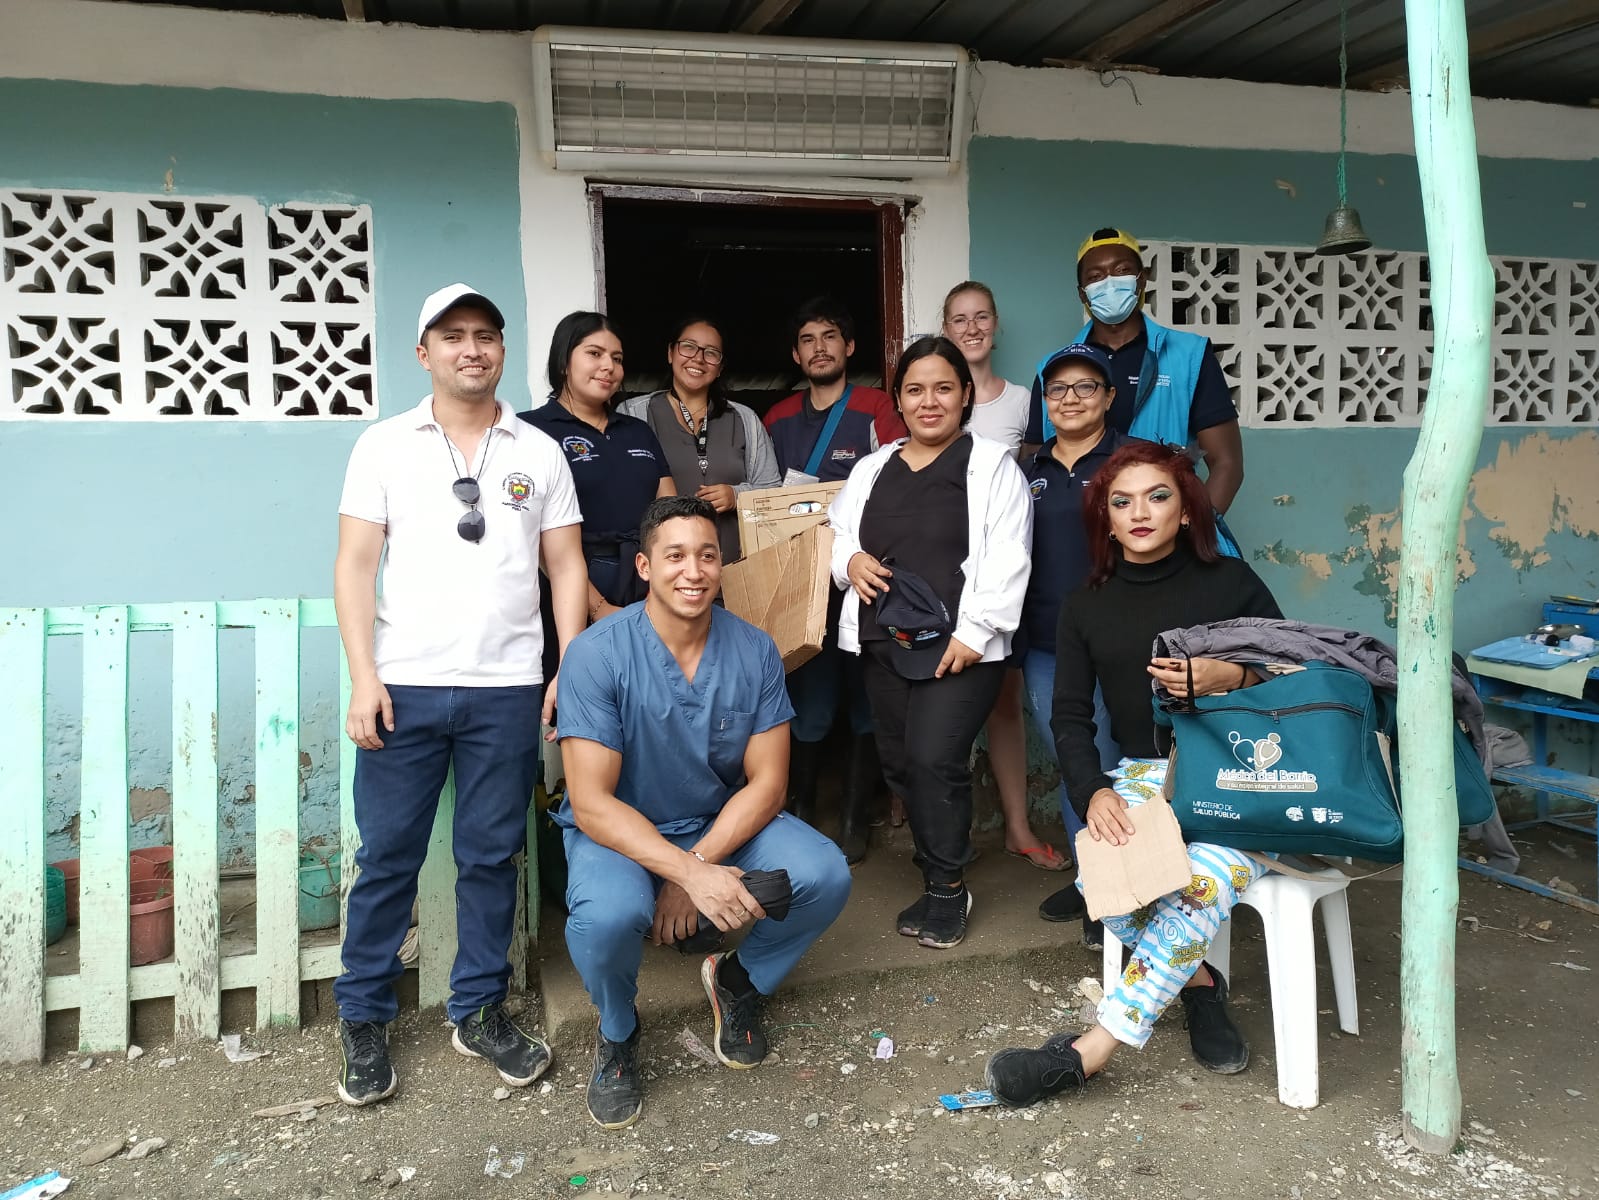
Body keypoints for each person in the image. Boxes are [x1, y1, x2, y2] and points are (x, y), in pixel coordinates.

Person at [332, 283, 590, 1107]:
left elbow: (565, 566)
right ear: (424, 353)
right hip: (403, 686)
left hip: (506, 689)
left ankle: (477, 1009)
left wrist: (568, 665)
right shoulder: (384, 445)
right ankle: (363, 1015)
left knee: (490, 855)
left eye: (485, 335)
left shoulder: (537, 451)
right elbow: (354, 566)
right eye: (452, 336)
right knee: (387, 858)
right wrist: (364, 676)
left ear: (502, 350)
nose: (471, 349)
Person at [983, 441, 1283, 1109]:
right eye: (1121, 502)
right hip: (1146, 774)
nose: (1139, 512)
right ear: (1106, 519)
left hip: (1243, 773)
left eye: (1157, 496)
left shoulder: (1232, 584)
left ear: (1186, 511)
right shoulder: (1086, 605)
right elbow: (1068, 717)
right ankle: (1199, 984)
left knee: (1200, 882)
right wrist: (1093, 791)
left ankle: (1090, 1051)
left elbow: (1297, 677)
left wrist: (1233, 675)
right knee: (1102, 875)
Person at [555, 496, 852, 1130]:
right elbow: (592, 802)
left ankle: (740, 981)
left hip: (716, 824)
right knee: (607, 917)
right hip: (619, 833)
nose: (693, 571)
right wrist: (689, 876)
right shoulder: (596, 653)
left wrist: (696, 866)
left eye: (708, 555)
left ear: (722, 564)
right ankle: (618, 1031)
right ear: (644, 566)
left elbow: (768, 784)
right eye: (675, 556)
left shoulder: (754, 649)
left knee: (824, 874)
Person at [829, 336, 1032, 950]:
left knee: (933, 758)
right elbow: (838, 533)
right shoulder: (871, 468)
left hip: (958, 647)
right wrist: (850, 561)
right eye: (915, 390)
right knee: (897, 762)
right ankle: (935, 869)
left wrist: (975, 634)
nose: (929, 401)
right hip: (883, 639)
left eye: (944, 387)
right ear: (898, 399)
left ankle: (947, 887)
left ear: (965, 394)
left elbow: (1010, 553)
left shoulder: (992, 466)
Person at [762, 297, 907, 864]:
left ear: (849, 347)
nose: (819, 348)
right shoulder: (777, 418)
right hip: (800, 583)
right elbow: (763, 500)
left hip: (864, 579)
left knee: (867, 696)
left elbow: (898, 476)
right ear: (795, 355)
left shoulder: (875, 406)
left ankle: (854, 816)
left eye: (829, 337)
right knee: (811, 700)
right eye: (808, 339)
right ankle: (800, 811)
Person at [943, 280, 1065, 873]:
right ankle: (940, 834)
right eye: (959, 319)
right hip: (940, 573)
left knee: (1004, 702)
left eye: (981, 317)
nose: (971, 328)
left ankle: (1017, 825)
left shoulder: (1021, 402)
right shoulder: (933, 398)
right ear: (945, 329)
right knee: (935, 700)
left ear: (995, 326)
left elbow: (1035, 484)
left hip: (1004, 572)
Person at [1019, 343, 1135, 933]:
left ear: (1109, 397)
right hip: (1046, 644)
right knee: (1074, 760)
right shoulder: (1026, 470)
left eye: (1085, 387)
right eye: (1058, 388)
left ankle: (1124, 886)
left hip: (1122, 641)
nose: (1070, 398)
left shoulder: (1134, 462)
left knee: (1113, 762)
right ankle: (1094, 879)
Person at [1023, 228, 1245, 535]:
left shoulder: (1189, 355)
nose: (1109, 283)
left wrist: (1189, 537)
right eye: (1096, 276)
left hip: (1159, 539)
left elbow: (1226, 464)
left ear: (1142, 280)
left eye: (1121, 271)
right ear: (1082, 293)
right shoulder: (1053, 370)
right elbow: (1033, 463)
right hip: (1076, 538)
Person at [519, 312, 675, 675]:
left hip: (644, 586)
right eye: (594, 353)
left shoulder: (637, 431)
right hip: (565, 592)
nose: (609, 366)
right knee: (580, 690)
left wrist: (661, 594)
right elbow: (535, 535)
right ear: (564, 361)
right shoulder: (530, 431)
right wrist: (598, 606)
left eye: (617, 358)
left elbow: (670, 516)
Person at [617, 314, 781, 562]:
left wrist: (737, 495)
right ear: (670, 353)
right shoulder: (633, 413)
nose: (698, 358)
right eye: (688, 347)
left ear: (720, 368)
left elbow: (773, 491)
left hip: (736, 567)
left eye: (711, 353)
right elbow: (619, 490)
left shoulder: (745, 418)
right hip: (664, 568)